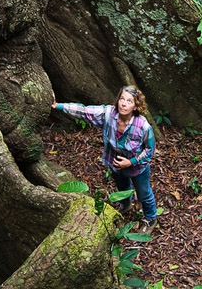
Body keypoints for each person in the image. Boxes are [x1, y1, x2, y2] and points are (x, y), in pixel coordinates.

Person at [52, 85, 158, 233]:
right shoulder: (108, 114)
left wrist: (131, 162)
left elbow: (149, 150)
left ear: (135, 106)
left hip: (137, 167)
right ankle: (125, 205)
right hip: (114, 163)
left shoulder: (143, 126)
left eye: (129, 101)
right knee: (122, 187)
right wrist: (59, 106)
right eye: (122, 99)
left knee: (143, 193)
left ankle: (150, 218)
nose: (124, 103)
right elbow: (84, 111)